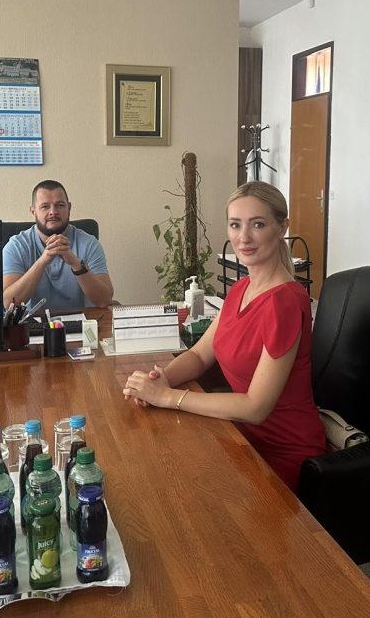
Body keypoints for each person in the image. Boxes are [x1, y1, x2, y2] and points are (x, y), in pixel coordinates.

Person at [122, 181, 325, 490]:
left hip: (282, 452)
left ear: (282, 227)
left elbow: (256, 407)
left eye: (258, 224)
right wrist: (161, 379)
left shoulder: (284, 302)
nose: (244, 237)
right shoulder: (242, 288)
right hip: (239, 436)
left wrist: (168, 397)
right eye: (235, 224)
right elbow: (199, 355)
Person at [2, 180, 113, 309]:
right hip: (32, 321)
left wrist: (76, 264)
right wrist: (43, 261)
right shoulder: (16, 246)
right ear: (33, 211)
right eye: (45, 206)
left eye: (60, 205)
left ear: (69, 208)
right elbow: (9, 304)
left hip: (80, 320)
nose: (53, 212)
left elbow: (104, 301)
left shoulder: (89, 244)